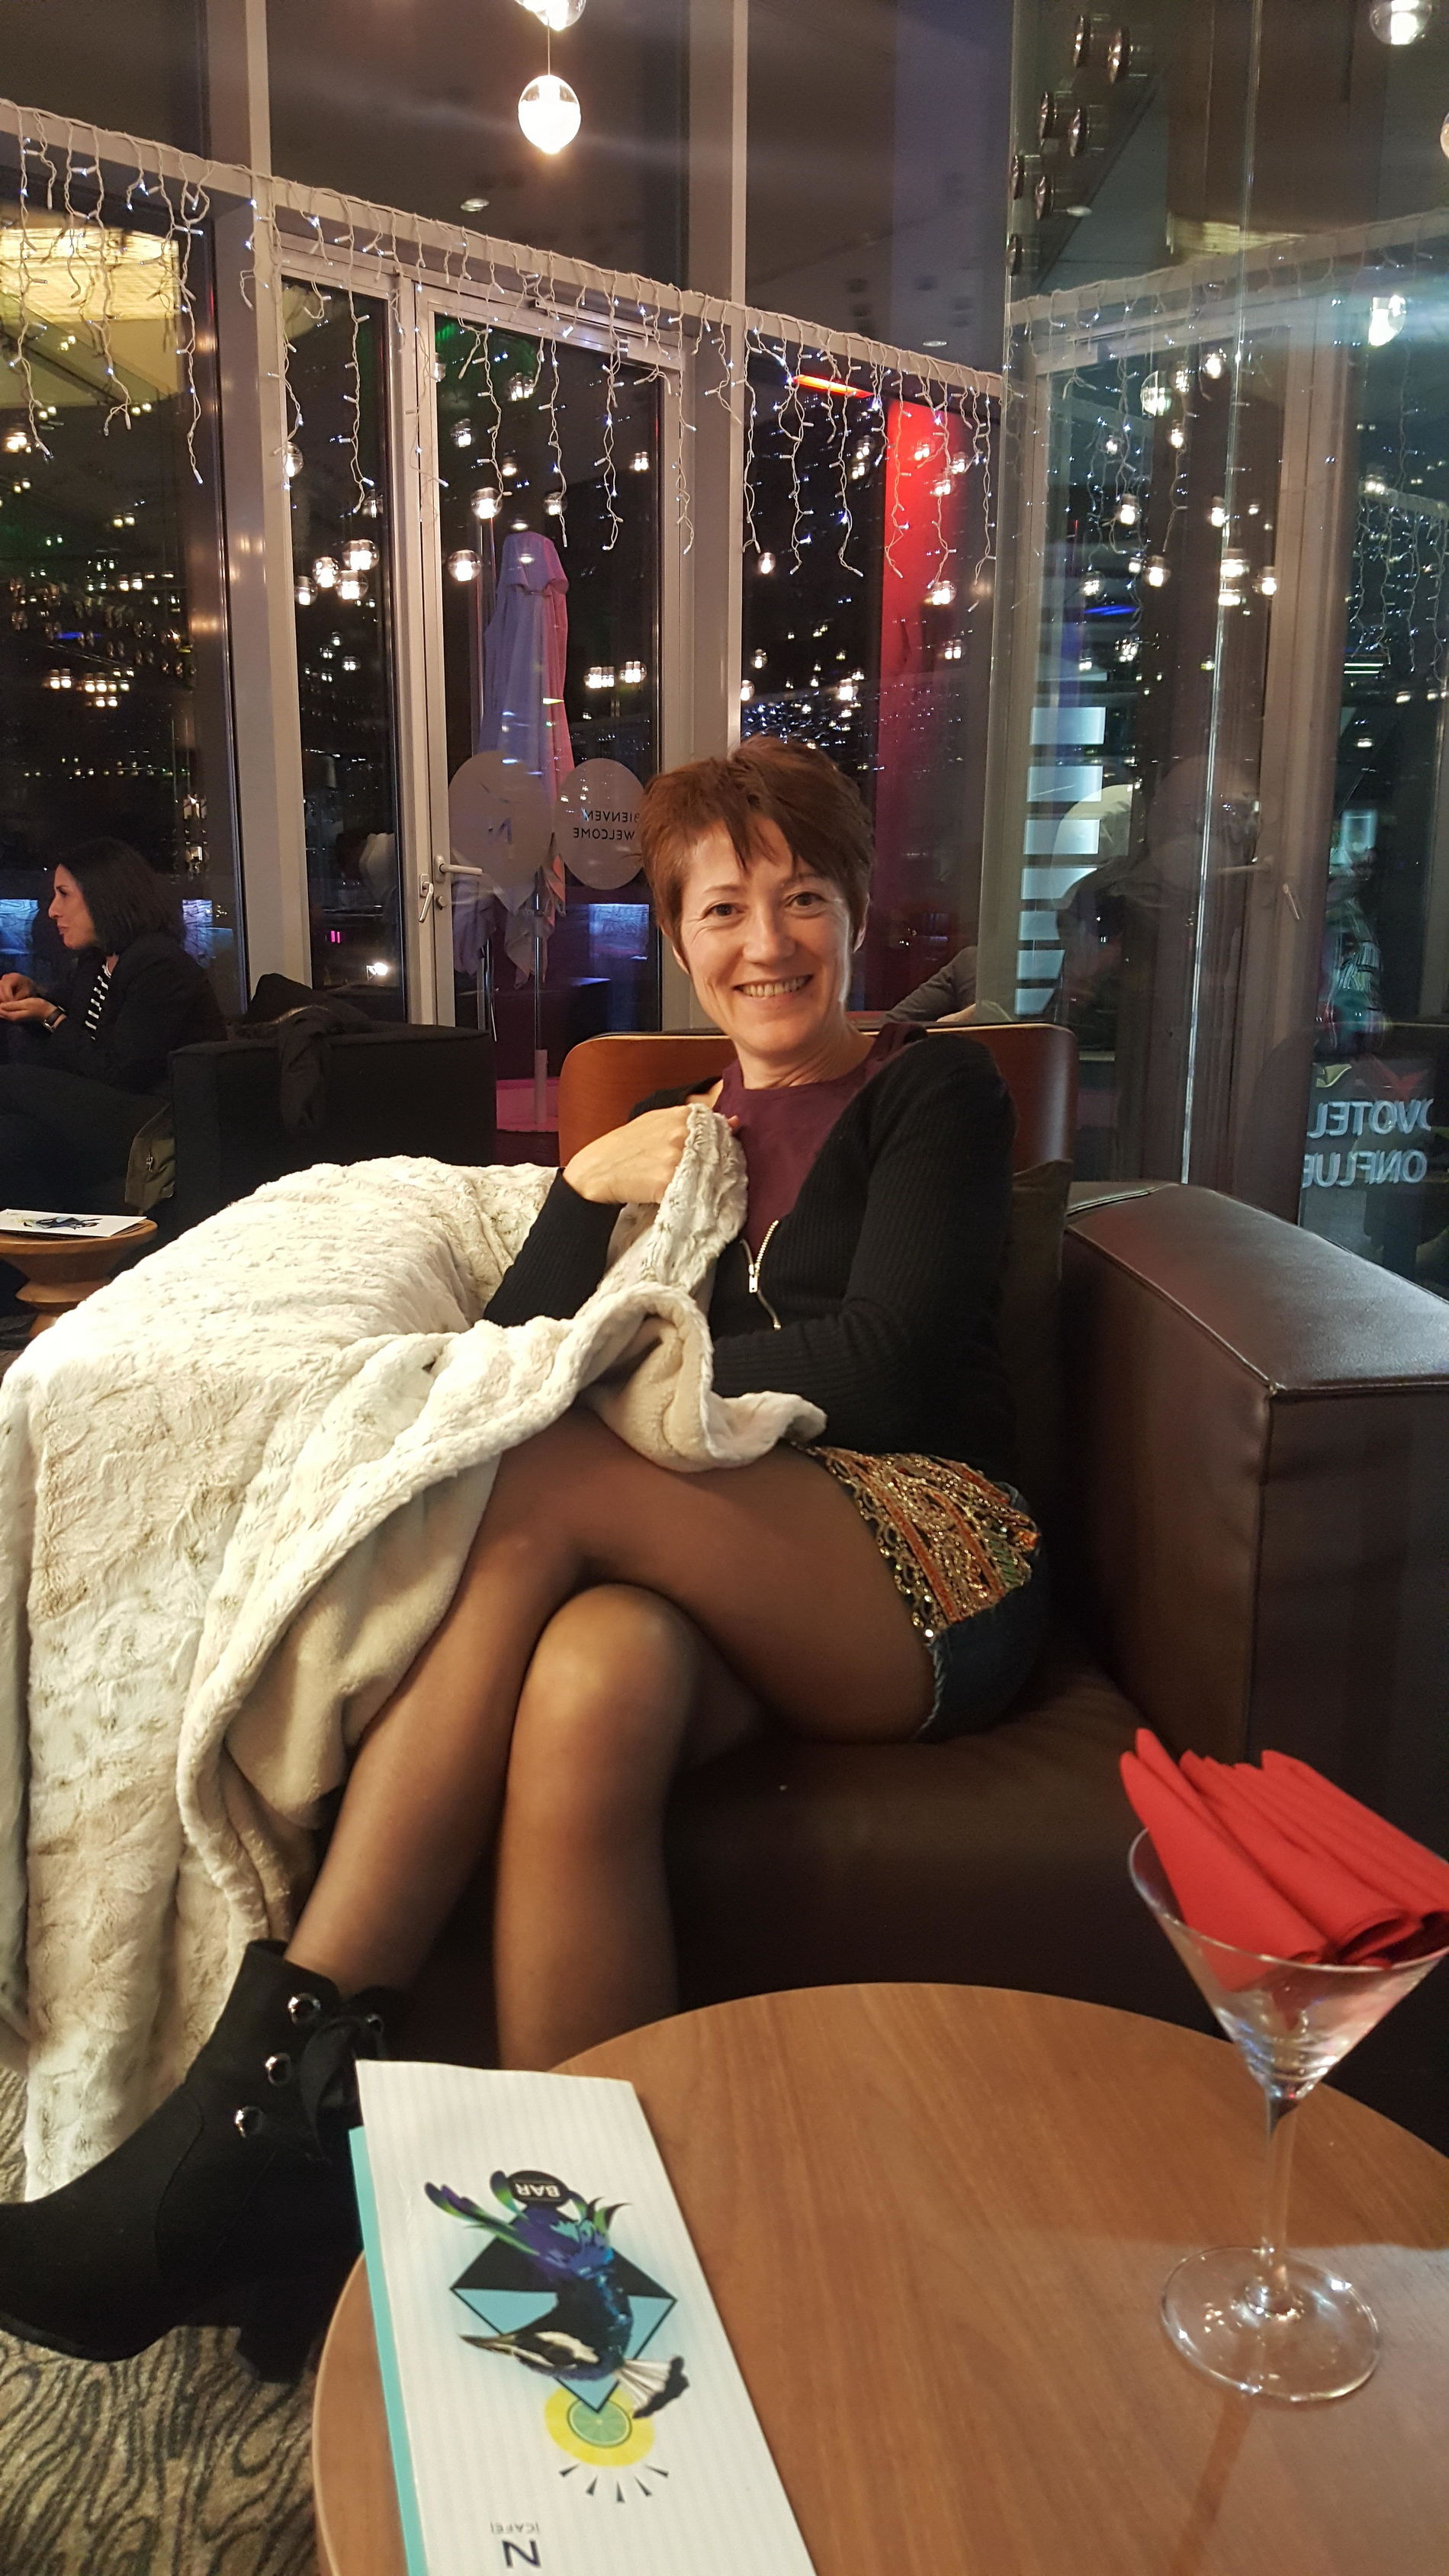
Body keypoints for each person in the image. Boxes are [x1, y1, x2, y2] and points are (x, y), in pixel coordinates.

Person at [0, 740, 1046, 2371]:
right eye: (722, 908)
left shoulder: (931, 1090)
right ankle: (584, 2278)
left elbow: (890, 1365)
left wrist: (616, 1387)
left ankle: (273, 2093)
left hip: (920, 1546)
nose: (766, 942)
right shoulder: (676, 1130)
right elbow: (512, 1347)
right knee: (586, 1683)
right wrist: (579, 1188)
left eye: (800, 899)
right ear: (676, 935)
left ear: (853, 912)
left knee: (542, 1464)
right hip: (716, 1552)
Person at [0, 837, 225, 1219]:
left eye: (64, 895)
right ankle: (49, 1249)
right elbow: (65, 1023)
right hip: (112, 1107)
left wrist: (51, 1017)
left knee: (7, 1081)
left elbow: (122, 1072)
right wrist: (33, 996)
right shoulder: (98, 962)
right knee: (11, 1138)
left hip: (155, 1121)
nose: (52, 910)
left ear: (104, 896)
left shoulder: (158, 964)